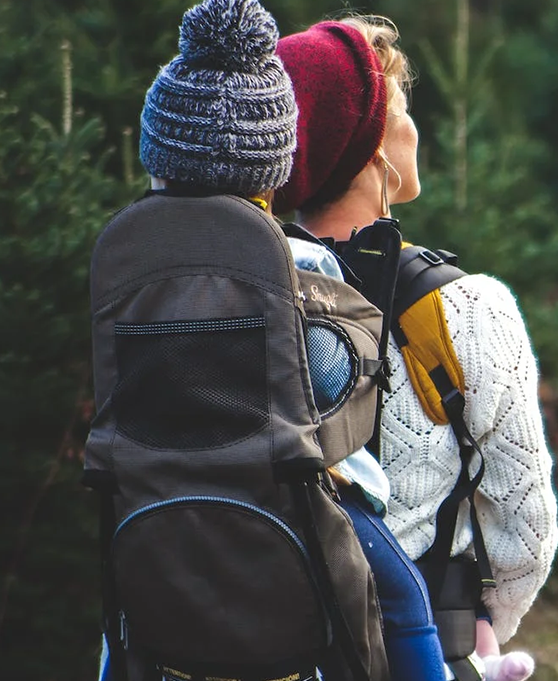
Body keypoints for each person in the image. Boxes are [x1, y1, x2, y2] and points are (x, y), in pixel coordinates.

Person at [119, 3, 445, 680]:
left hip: (153, 487)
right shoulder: (294, 262)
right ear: (272, 165)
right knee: (402, 597)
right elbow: (330, 383)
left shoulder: (132, 261)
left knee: (122, 617)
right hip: (290, 491)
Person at [272, 14, 558, 681]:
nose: (414, 127)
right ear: (372, 147)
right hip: (422, 647)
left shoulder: (248, 293)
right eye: (401, 109)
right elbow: (528, 529)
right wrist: (473, 627)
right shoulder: (466, 309)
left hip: (278, 647)